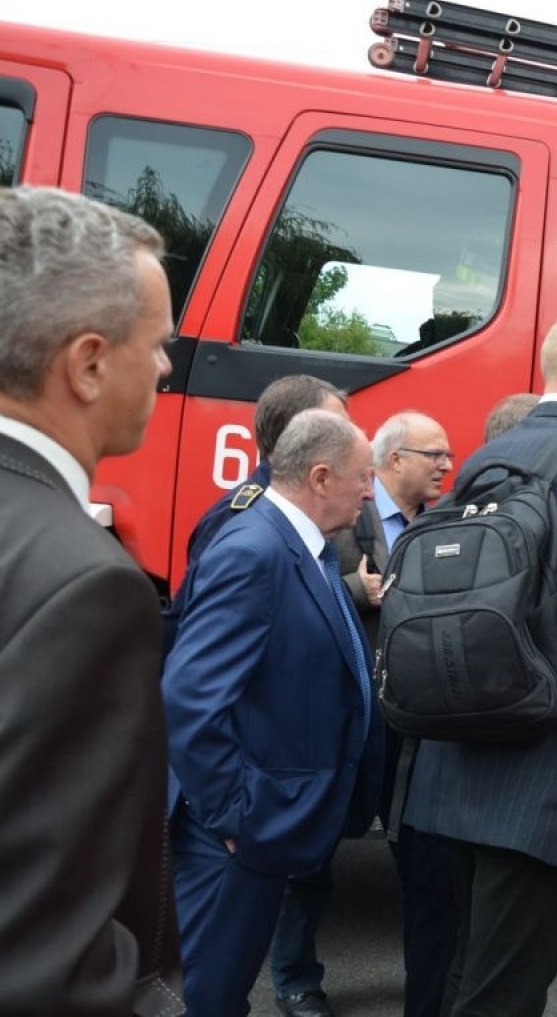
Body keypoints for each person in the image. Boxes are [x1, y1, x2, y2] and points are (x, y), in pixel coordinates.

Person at [402, 312, 557, 1016]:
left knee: (459, 984)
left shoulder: (490, 457)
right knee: (503, 999)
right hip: (540, 789)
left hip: (454, 772)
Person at [0, 186, 184, 1013]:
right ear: (87, 363)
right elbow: (50, 961)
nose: (167, 367)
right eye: (157, 343)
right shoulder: (86, 585)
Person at [164, 409, 386, 1016]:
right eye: (363, 476)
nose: (371, 491)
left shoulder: (298, 547)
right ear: (320, 477)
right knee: (212, 996)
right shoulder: (254, 549)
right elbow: (192, 694)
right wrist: (235, 816)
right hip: (235, 837)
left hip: (265, 826)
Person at [317, 409, 460, 1017]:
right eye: (437, 455)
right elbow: (287, 591)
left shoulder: (445, 526)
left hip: (411, 726)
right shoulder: (342, 517)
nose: (449, 467)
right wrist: (354, 590)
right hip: (346, 721)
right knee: (313, 859)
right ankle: (295, 978)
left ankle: (426, 985)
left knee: (423, 865)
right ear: (394, 460)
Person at [163, 372, 348, 655]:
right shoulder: (238, 519)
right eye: (336, 432)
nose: (349, 443)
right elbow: (205, 649)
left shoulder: (303, 512)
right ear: (294, 438)